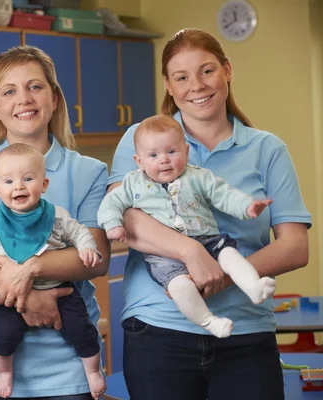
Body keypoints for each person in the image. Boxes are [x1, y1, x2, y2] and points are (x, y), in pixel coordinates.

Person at [108, 29, 311, 400]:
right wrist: (192, 254)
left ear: (227, 71)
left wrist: (226, 276)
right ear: (169, 86)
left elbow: (296, 247)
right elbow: (126, 219)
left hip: (246, 333)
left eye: (207, 71)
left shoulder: (267, 149)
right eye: (181, 77)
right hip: (158, 327)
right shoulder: (141, 140)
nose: (196, 86)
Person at [0, 45, 111, 400]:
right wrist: (18, 292)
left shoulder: (90, 171)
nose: (24, 99)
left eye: (35, 86)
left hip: (68, 365)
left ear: (54, 98)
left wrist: (29, 269)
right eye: (9, 91)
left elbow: (96, 256)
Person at [98, 114, 276, 338]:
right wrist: (113, 225)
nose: (164, 159)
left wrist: (247, 207)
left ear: (186, 152)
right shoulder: (133, 183)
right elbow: (110, 204)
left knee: (230, 255)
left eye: (171, 152)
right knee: (179, 287)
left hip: (207, 238)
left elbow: (224, 195)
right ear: (139, 161)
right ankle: (209, 321)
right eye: (153, 155)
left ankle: (254, 287)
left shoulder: (198, 177)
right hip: (163, 256)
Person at [0, 143, 104, 399]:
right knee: (2, 335)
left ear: (44, 184)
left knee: (82, 329)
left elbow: (80, 231)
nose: (19, 186)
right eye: (9, 181)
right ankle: (5, 372)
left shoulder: (56, 216)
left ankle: (92, 371)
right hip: (9, 298)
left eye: (28, 179)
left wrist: (87, 247)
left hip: (60, 289)